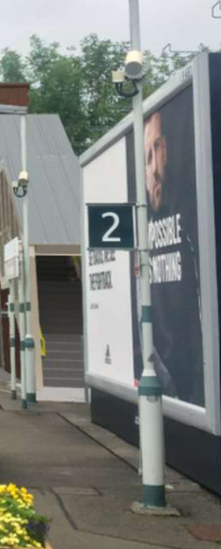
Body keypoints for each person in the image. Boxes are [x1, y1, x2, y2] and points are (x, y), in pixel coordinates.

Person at [140, 97, 204, 407]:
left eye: (156, 150)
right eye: (146, 158)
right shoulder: (143, 228)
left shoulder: (192, 216)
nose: (152, 168)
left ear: (166, 149)